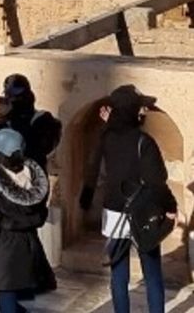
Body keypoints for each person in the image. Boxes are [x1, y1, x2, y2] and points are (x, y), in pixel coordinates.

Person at [78, 84, 178, 313]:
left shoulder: (106, 137)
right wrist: (170, 206)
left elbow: (92, 168)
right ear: (131, 111)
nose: (144, 111)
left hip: (114, 211)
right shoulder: (145, 142)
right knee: (152, 273)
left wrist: (85, 200)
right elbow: (156, 180)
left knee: (118, 275)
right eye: (140, 107)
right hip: (143, 212)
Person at [0, 127, 55, 313]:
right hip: (29, 246)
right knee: (15, 301)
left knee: (6, 300)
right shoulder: (36, 182)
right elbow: (40, 215)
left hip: (3, 250)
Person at [0, 74, 62, 169]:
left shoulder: (42, 119)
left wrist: (13, 119)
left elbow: (36, 147)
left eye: (13, 96)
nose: (9, 100)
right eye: (7, 95)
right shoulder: (6, 119)